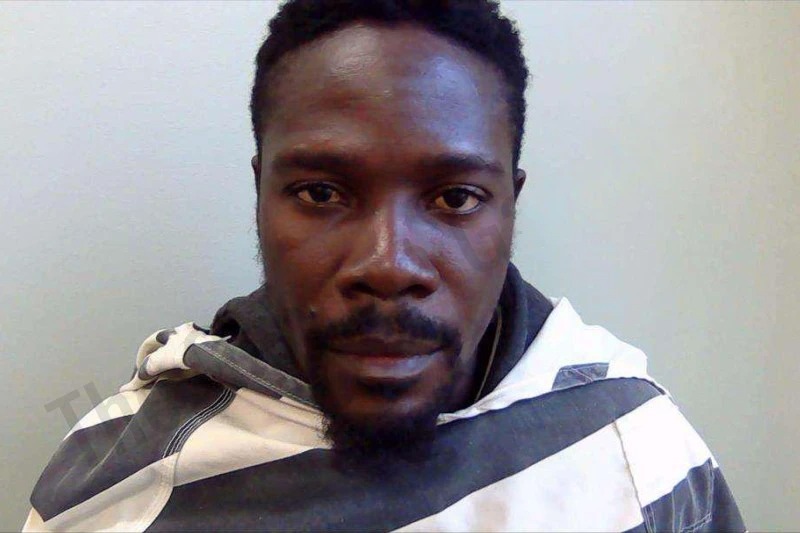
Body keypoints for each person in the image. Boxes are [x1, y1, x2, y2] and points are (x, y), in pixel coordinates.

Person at [24, 1, 745, 531]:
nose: (388, 265)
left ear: (511, 205)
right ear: (261, 194)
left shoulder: (635, 447)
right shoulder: (120, 477)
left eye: (456, 197)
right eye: (322, 193)